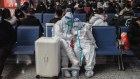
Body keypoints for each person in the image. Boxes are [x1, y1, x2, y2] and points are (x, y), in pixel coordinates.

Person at [54, 12, 79, 77]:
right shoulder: (58, 23)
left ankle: (65, 70)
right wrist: (69, 36)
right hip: (57, 40)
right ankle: (73, 59)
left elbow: (72, 30)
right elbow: (58, 33)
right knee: (64, 42)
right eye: (68, 18)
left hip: (67, 41)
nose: (69, 20)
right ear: (64, 17)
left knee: (64, 53)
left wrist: (74, 34)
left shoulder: (70, 24)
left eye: (70, 19)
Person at [0, 9, 16, 79]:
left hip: (5, 46)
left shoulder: (7, 24)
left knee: (0, 57)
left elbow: (14, 36)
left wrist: (9, 44)